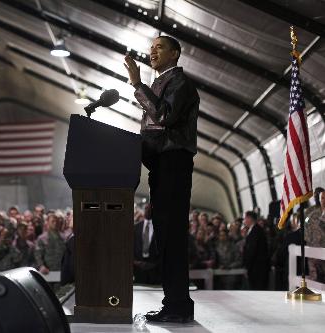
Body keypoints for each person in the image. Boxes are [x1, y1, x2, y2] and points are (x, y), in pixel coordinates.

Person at [124, 35, 198, 322]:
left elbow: (164, 116)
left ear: (175, 53)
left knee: (172, 237)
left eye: (159, 47)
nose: (152, 52)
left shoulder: (180, 83)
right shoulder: (159, 84)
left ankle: (178, 306)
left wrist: (137, 84)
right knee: (165, 237)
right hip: (160, 164)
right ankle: (174, 303)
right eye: (150, 48)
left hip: (174, 164)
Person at [242, 211, 270, 290]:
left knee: (257, 290)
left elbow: (252, 251)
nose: (244, 221)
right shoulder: (256, 230)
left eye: (245, 218)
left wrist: (247, 267)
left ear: (250, 218)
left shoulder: (255, 231)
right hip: (258, 268)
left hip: (257, 269)